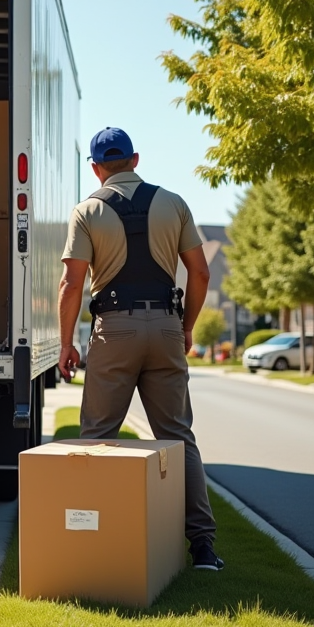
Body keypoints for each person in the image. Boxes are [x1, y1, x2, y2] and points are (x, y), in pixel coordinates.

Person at [56, 127, 223, 571]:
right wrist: (185, 328)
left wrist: (66, 343)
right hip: (167, 326)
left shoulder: (87, 210)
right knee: (177, 437)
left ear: (96, 169)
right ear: (134, 160)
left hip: (114, 331)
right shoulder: (174, 203)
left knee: (97, 438)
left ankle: (94, 543)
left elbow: (72, 284)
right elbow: (200, 274)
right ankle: (203, 548)